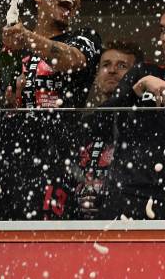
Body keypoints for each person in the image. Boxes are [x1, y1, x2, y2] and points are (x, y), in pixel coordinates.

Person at [0, 0, 102, 220]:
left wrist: (28, 38)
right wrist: (0, 98)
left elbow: (73, 60)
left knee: (42, 238)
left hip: (53, 155)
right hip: (3, 152)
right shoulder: (11, 46)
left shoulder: (85, 37)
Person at [103, 3, 165, 220]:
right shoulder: (144, 72)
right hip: (127, 195)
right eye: (162, 30)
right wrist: (140, 87)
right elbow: (98, 122)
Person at [66, 40, 144, 220]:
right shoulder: (83, 125)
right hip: (76, 225)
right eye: (106, 65)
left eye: (122, 65)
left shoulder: (142, 123)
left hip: (125, 223)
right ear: (96, 75)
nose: (112, 70)